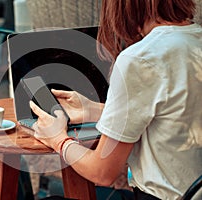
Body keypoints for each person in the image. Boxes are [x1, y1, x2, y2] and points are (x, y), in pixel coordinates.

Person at [29, 0, 202, 199]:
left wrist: (58, 139)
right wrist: (95, 110)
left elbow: (102, 172)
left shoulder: (140, 58)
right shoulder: (195, 39)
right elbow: (177, 112)